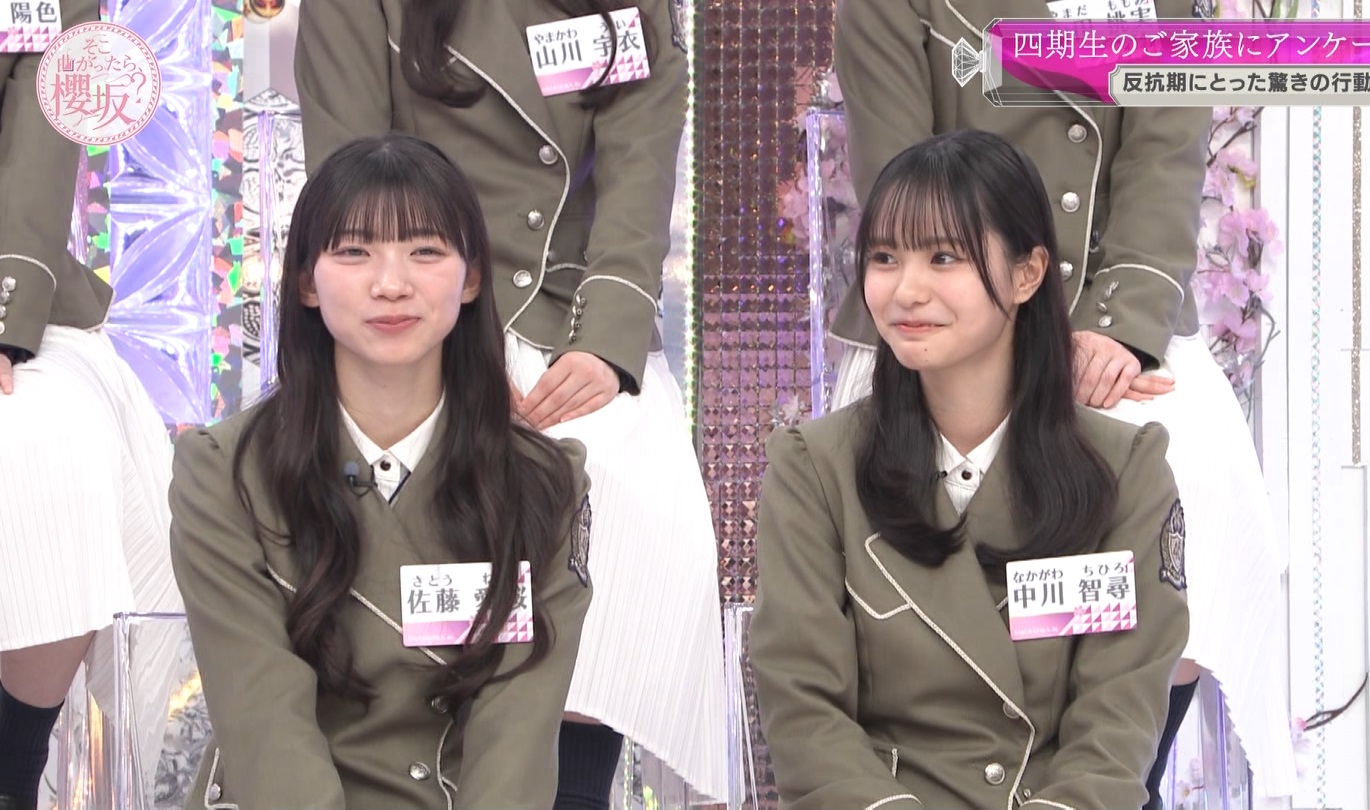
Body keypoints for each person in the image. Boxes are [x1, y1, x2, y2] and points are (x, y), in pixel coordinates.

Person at [831, 1, 1296, 804]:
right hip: (948, 311)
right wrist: (1023, 340)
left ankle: (1120, 783)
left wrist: (1117, 330)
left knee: (1191, 474)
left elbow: (1163, 157)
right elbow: (905, 182)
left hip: (1116, 320)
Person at [294, 2, 729, 805]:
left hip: (572, 320)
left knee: (632, 507)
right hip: (416, 314)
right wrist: (451, 342)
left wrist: (606, 342)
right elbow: (349, 182)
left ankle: (574, 790)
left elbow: (639, 165)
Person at [751, 130, 1190, 810]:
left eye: (944, 257)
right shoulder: (814, 470)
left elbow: (1116, 725)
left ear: (1027, 273)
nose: (906, 290)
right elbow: (805, 714)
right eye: (884, 258)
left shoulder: (1125, 471)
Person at [168, 134, 594, 809]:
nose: (391, 284)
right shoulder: (225, 473)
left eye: (425, 251)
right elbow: (263, 722)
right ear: (306, 282)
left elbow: (516, 734)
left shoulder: (543, 481)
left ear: (472, 278)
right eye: (353, 251)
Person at [0, 2, 180, 808]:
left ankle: (12, 768)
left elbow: (39, 137)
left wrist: (5, 324)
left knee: (50, 445)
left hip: (21, 301)